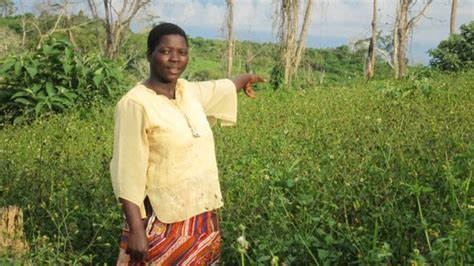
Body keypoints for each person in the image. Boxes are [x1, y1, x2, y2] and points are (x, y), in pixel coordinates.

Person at [110, 22, 265, 264]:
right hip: (160, 222)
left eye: (182, 53)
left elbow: (223, 87)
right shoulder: (135, 104)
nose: (175, 59)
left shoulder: (187, 92)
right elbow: (126, 172)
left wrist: (246, 78)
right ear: (150, 54)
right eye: (165, 51)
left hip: (201, 217)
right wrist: (137, 231)